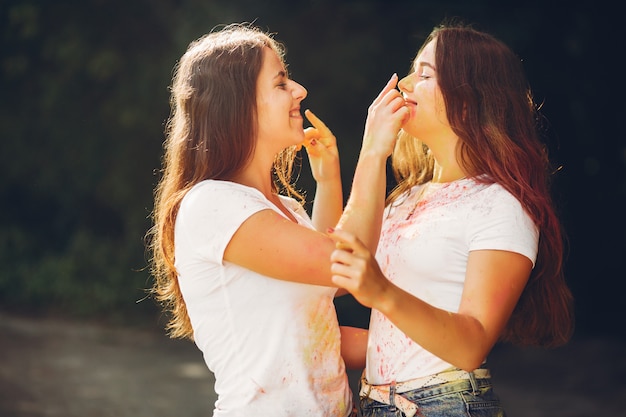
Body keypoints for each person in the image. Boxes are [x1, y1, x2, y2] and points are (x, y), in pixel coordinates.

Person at [146, 23, 407, 416]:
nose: (299, 91)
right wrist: (372, 153)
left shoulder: (285, 208)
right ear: (237, 104)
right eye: (281, 82)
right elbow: (341, 264)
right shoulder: (211, 204)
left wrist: (329, 178)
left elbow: (331, 285)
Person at [328, 22, 575, 417]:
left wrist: (380, 291)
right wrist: (372, 152)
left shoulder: (501, 205)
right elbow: (346, 279)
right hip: (377, 404)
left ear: (468, 99)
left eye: (424, 73)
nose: (404, 83)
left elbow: (469, 345)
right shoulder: (403, 200)